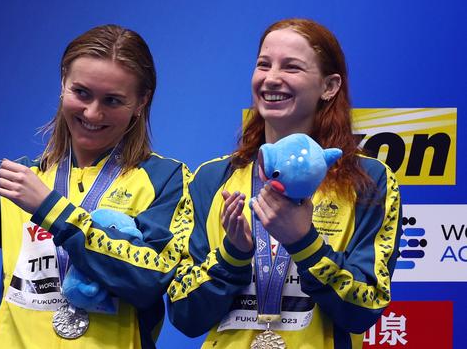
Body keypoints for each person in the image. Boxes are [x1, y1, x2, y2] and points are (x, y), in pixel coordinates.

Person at [0, 24, 191, 349]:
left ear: (141, 101)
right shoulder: (18, 180)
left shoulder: (166, 180)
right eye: (81, 92)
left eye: (112, 100)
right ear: (63, 83)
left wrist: (52, 209)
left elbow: (149, 279)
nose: (93, 112)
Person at [167, 18, 402, 348]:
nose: (271, 78)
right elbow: (184, 314)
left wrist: (304, 242)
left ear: (329, 86)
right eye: (264, 64)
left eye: (291, 67)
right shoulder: (210, 179)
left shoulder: (369, 181)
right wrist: (232, 256)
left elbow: (364, 308)